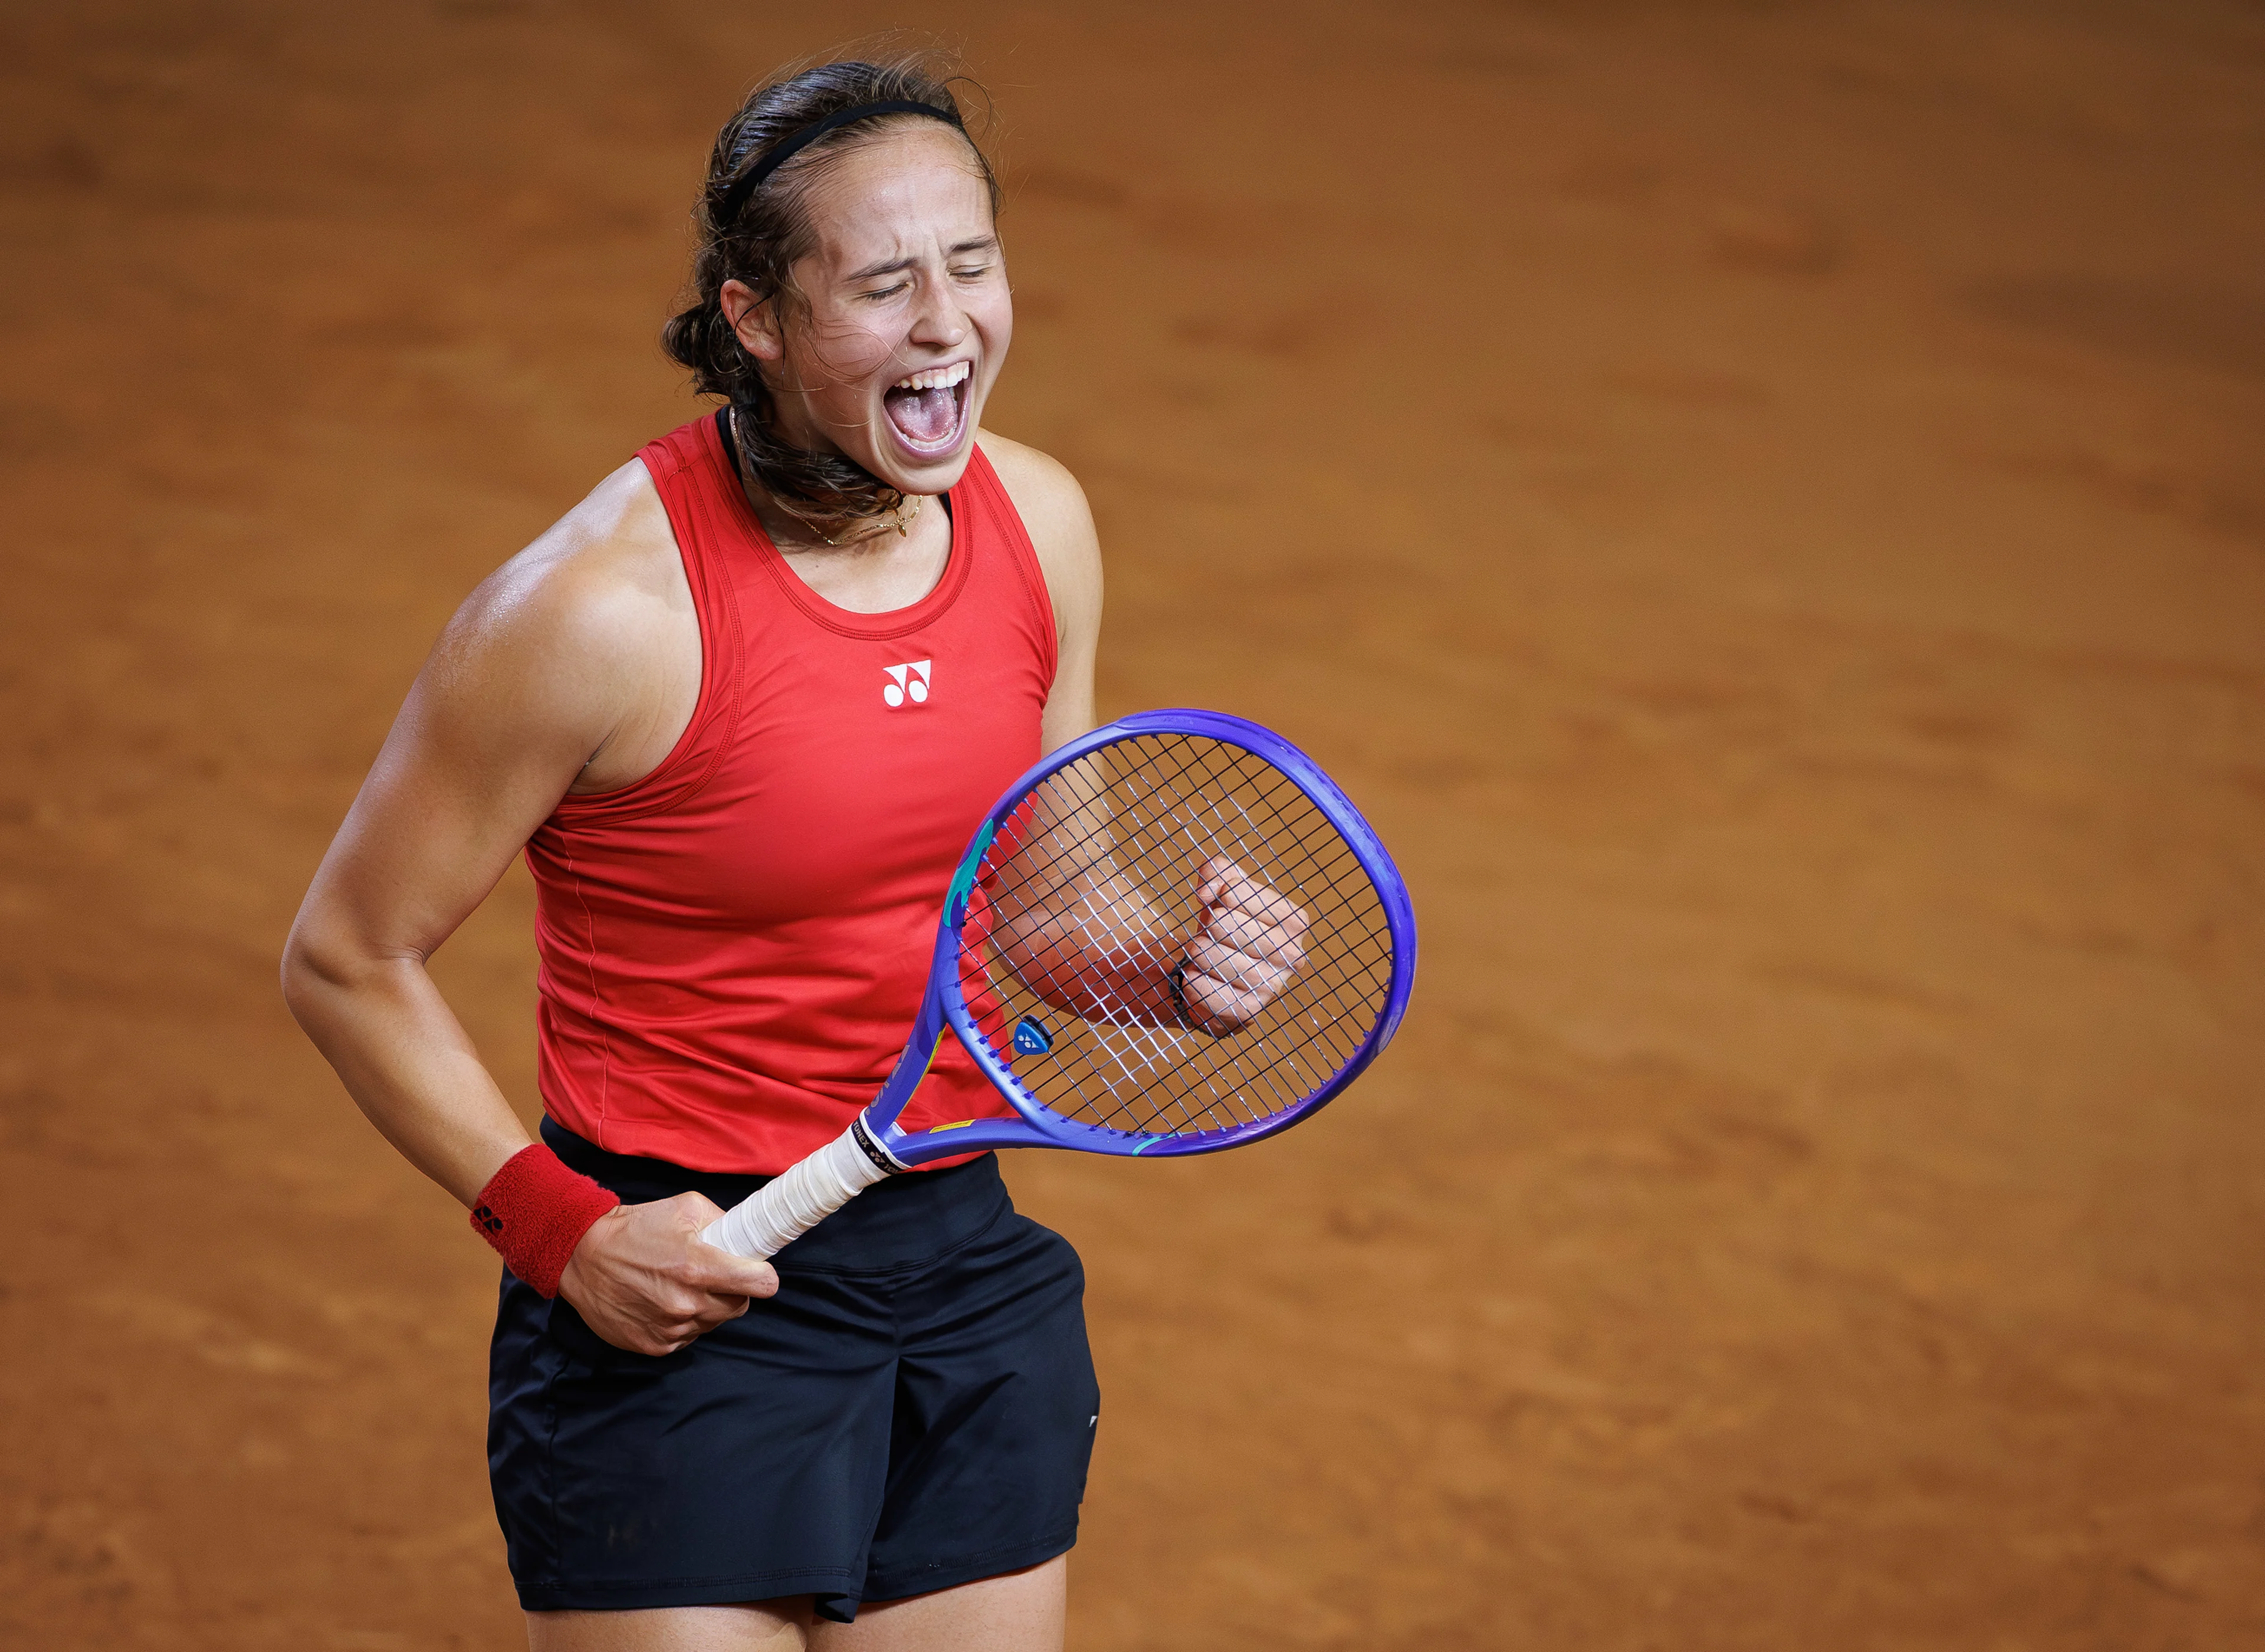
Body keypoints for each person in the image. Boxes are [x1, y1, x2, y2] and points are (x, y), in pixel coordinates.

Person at [282, 50, 1303, 1652]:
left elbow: (1044, 905)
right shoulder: (600, 614)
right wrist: (561, 1232)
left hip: (956, 1263)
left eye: (973, 265)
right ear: (754, 317)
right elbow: (349, 954)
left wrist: (1171, 970)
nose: (949, 325)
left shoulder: (1039, 523)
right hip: (680, 1278)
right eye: (885, 287)